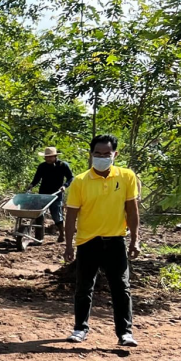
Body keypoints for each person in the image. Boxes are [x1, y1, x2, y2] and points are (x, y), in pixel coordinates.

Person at [63, 134, 140, 348]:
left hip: (116, 240)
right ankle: (80, 329)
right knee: (84, 287)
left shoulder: (126, 177)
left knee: (121, 287)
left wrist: (135, 240)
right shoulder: (80, 181)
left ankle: (125, 333)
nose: (102, 157)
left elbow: (132, 211)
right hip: (88, 242)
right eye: (98, 153)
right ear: (91, 154)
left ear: (115, 154)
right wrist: (69, 244)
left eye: (107, 154)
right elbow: (71, 215)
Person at [26, 146, 74, 241]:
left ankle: (62, 234)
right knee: (39, 214)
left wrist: (65, 186)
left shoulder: (62, 165)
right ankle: (38, 237)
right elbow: (37, 178)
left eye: (50, 157)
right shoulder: (42, 166)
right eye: (46, 157)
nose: (48, 158)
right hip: (43, 193)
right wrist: (31, 185)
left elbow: (70, 177)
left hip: (56, 193)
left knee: (56, 213)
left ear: (55, 156)